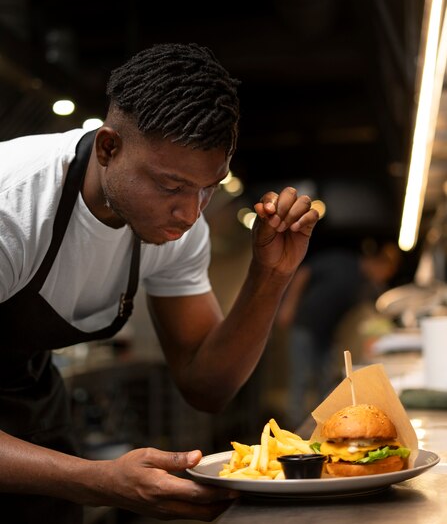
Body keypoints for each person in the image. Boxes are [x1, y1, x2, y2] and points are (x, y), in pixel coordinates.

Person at [0, 43, 319, 521]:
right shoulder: (13, 211)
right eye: (170, 186)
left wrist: (271, 275)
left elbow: (206, 385)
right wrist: (97, 480)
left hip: (29, 414)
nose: (190, 214)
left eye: (207, 188)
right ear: (109, 147)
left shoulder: (179, 227)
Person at [275, 241, 401, 427]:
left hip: (328, 335)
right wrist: (288, 305)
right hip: (306, 325)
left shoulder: (365, 285)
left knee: (325, 380)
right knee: (301, 378)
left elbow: (370, 318)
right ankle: (293, 429)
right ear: (378, 263)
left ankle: (322, 426)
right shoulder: (342, 262)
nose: (382, 279)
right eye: (385, 273)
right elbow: (304, 272)